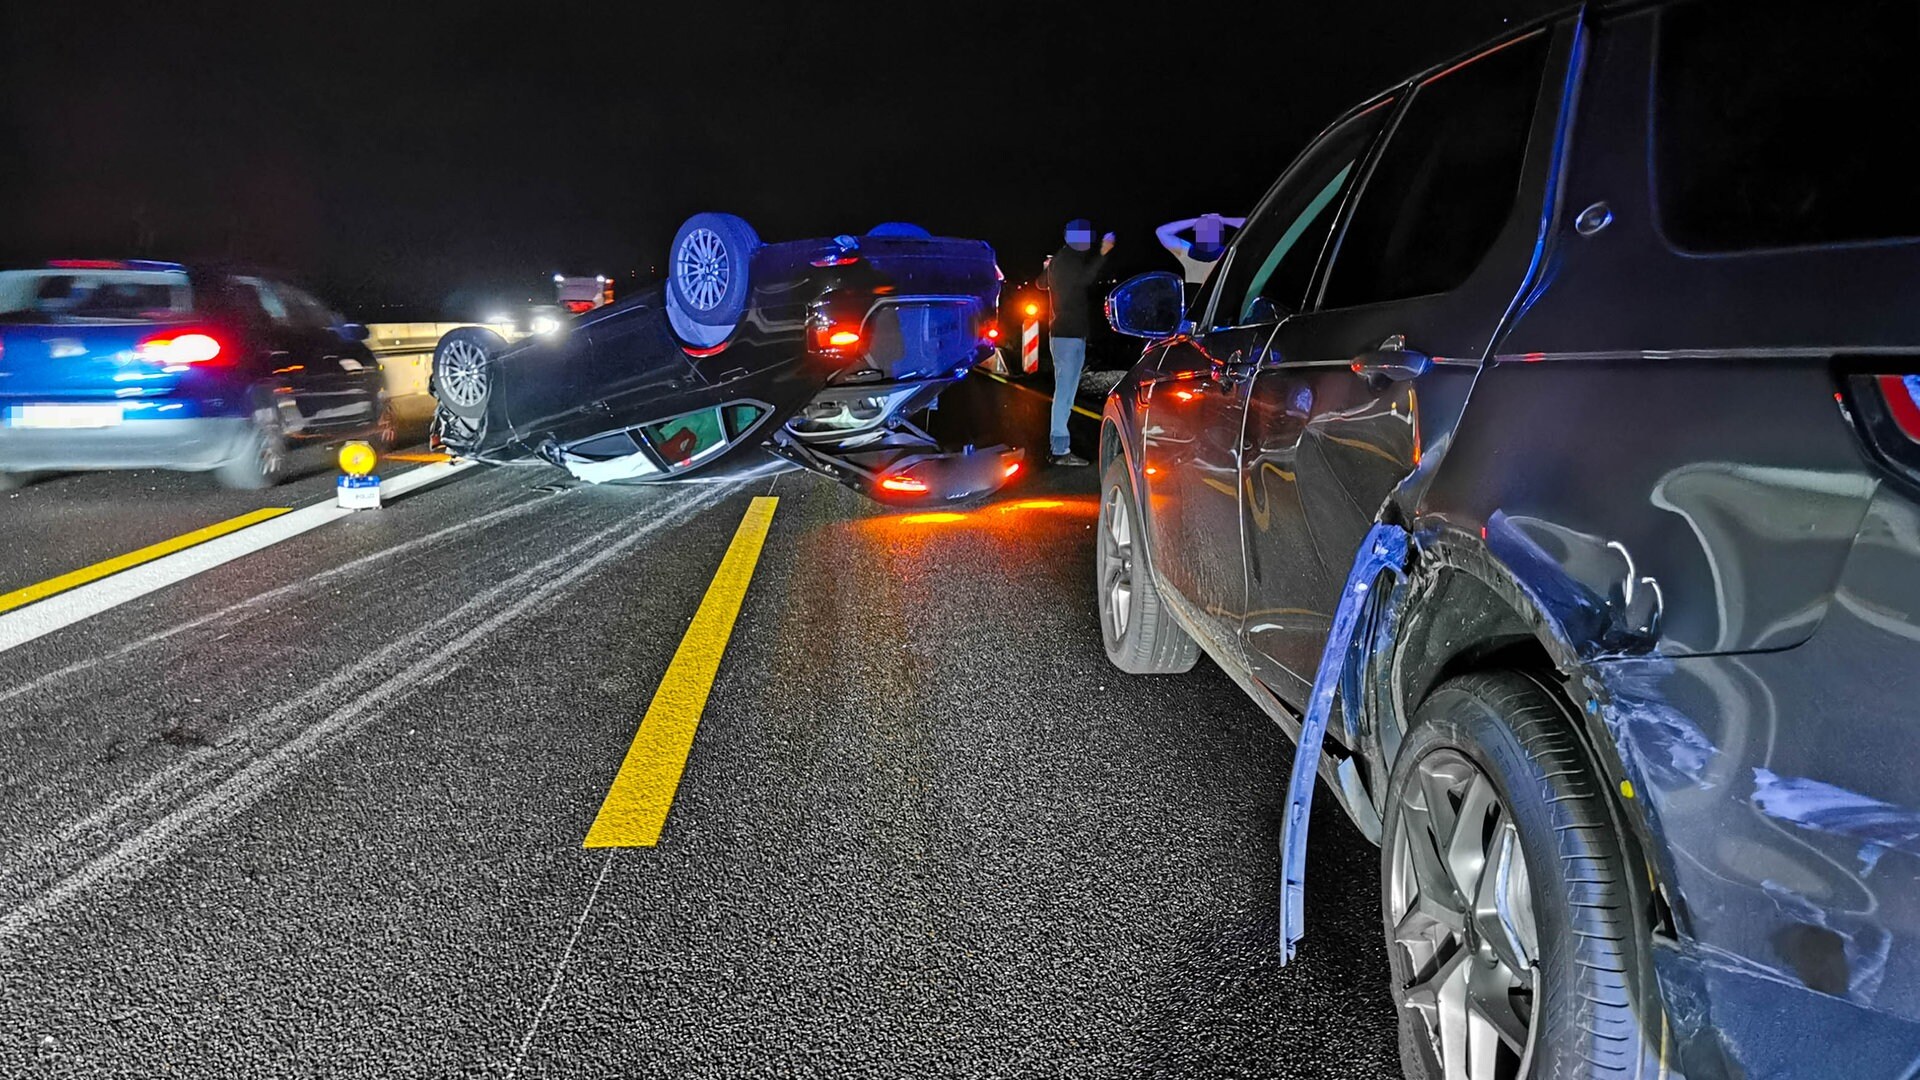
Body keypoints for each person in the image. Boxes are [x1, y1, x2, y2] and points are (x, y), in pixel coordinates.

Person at [1037, 218, 1113, 467]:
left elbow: (1040, 284)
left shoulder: (1061, 259)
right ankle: (1060, 450)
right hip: (1067, 335)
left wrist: (1048, 267)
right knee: (1065, 393)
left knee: (1066, 392)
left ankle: (1060, 446)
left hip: (1065, 334)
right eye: (1087, 236)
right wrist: (1102, 254)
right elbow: (1084, 281)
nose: (1089, 240)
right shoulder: (1068, 260)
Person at [1156, 213, 1246, 285]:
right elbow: (1162, 232)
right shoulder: (1187, 252)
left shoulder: (1230, 254)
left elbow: (1254, 225)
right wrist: (1198, 220)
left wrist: (1222, 220)